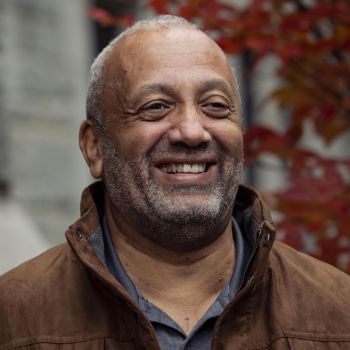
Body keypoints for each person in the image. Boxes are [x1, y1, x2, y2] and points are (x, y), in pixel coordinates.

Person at [1, 15, 349, 350]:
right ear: (95, 147)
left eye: (214, 105)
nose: (192, 131)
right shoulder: (15, 318)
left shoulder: (336, 313)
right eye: (155, 106)